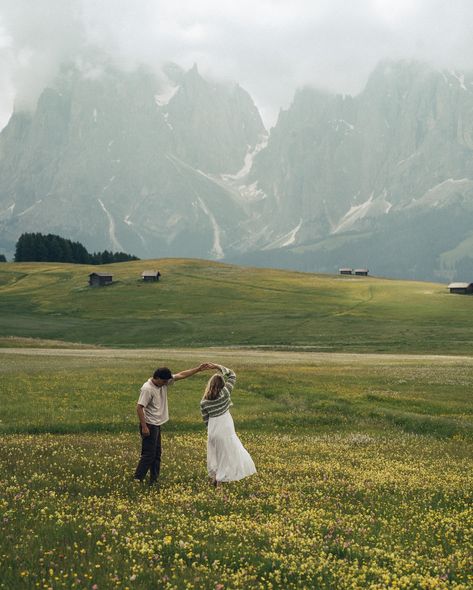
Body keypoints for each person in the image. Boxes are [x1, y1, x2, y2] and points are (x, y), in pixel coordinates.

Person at [134, 363, 210, 485]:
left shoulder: (163, 382)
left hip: (157, 424)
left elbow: (181, 375)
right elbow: (139, 408)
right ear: (157, 378)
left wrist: (198, 369)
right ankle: (137, 479)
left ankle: (154, 480)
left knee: (157, 454)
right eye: (164, 381)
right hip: (149, 425)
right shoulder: (147, 389)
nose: (166, 384)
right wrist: (144, 427)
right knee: (149, 454)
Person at [200, 363, 256, 486]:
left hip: (213, 430)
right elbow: (232, 375)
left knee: (215, 454)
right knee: (226, 454)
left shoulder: (204, 402)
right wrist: (216, 366)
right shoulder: (225, 393)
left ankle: (214, 478)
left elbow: (206, 420)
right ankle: (220, 482)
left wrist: (211, 430)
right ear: (222, 385)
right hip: (225, 428)